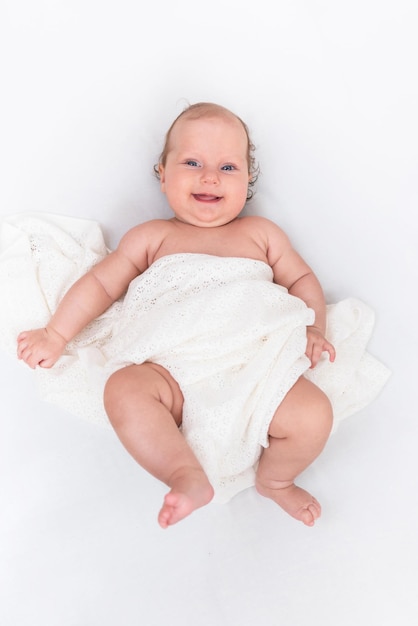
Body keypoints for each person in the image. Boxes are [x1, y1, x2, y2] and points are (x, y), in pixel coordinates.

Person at [16, 102, 336, 529]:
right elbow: (101, 285)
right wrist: (56, 334)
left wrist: (315, 327)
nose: (210, 176)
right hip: (171, 372)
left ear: (248, 181)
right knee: (123, 389)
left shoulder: (261, 235)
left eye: (228, 167)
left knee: (315, 414)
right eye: (192, 162)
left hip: (256, 372)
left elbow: (301, 280)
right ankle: (184, 474)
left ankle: (276, 480)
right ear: (162, 175)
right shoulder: (153, 237)